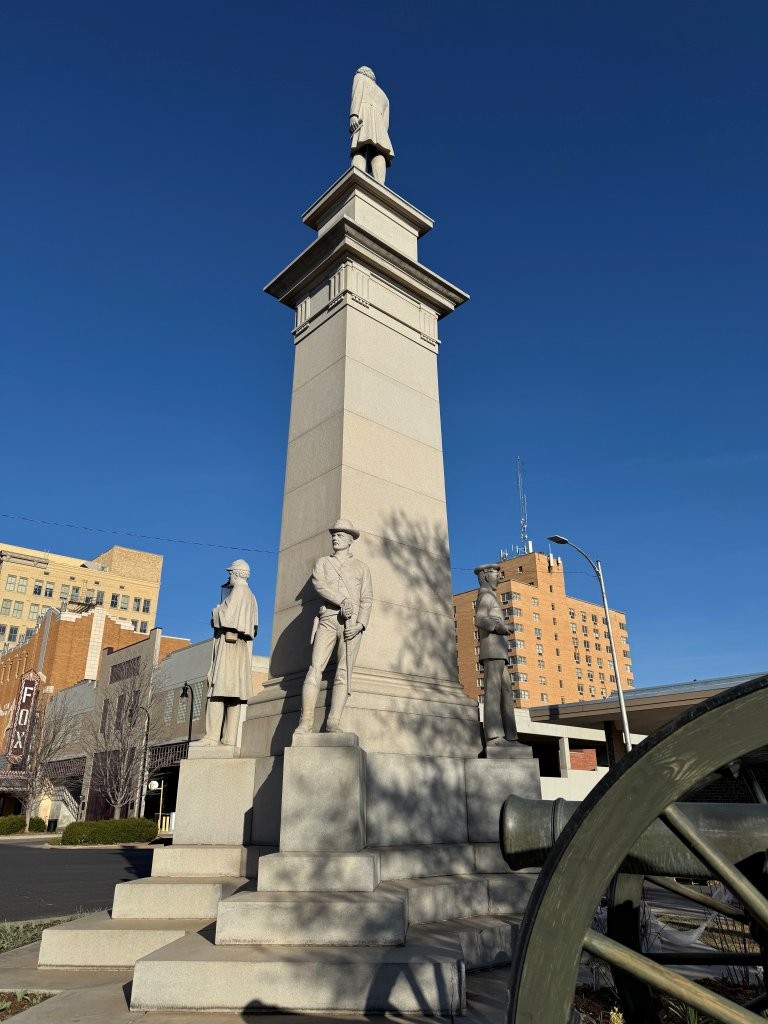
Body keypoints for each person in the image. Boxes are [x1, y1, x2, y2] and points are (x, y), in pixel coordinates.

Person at [296, 519, 372, 735]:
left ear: (350, 540)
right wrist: (342, 601)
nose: (335, 537)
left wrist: (360, 624)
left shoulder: (361, 567)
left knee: (343, 672)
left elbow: (367, 598)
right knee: (315, 668)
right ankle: (306, 722)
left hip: (352, 625)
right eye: (334, 534)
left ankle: (333, 722)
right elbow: (319, 584)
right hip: (328, 618)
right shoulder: (322, 563)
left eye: (340, 535)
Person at [195, 559, 258, 747]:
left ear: (237, 574)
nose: (229, 576)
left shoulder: (238, 592)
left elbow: (226, 617)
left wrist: (216, 611)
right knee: (234, 694)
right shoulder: (251, 596)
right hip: (240, 650)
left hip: (229, 646)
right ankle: (229, 738)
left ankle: (212, 736)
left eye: (231, 573)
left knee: (218, 691)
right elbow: (253, 627)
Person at [474, 563, 520, 749]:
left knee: (506, 692)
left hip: (500, 653)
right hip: (492, 652)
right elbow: (480, 618)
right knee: (494, 693)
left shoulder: (491, 596)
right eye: (496, 574)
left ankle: (510, 737)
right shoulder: (485, 596)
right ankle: (494, 736)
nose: (500, 577)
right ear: (485, 576)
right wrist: (499, 626)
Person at [349, 66, 394, 185]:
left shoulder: (360, 78)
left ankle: (356, 179)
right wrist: (382, 132)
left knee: (359, 148)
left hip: (363, 115)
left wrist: (354, 115)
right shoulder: (384, 96)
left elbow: (357, 95)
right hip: (380, 127)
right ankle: (380, 184)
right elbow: (386, 122)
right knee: (378, 151)